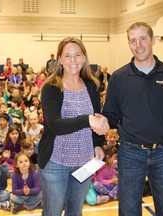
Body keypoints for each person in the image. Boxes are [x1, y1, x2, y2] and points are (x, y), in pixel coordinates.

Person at [102, 22, 163, 216]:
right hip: (130, 153)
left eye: (143, 39)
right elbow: (111, 115)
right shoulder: (119, 77)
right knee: (128, 211)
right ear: (129, 44)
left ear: (153, 40)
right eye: (133, 41)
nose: (138, 45)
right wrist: (96, 122)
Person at [38, 37, 109, 216]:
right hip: (55, 163)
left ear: (84, 57)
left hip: (85, 161)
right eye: (67, 56)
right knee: (52, 212)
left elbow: (97, 118)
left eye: (77, 55)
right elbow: (54, 125)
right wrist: (87, 120)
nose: (73, 60)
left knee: (75, 212)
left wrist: (98, 143)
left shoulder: (92, 86)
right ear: (60, 59)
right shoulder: (51, 88)